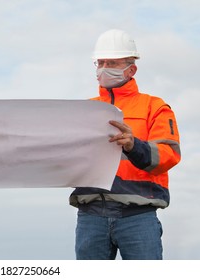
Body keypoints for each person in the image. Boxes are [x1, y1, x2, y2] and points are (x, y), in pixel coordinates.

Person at [69, 29, 181, 260]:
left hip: (138, 216)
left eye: (112, 62)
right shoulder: (85, 110)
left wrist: (134, 145)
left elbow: (168, 156)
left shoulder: (154, 107)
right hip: (91, 215)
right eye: (100, 62)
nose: (103, 67)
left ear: (131, 69)